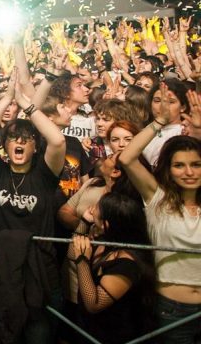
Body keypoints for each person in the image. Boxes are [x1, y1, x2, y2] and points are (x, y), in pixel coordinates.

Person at [0, 71, 67, 342]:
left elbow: (58, 141)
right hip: (3, 270)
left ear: (35, 148)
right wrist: (6, 99)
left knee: (38, 335)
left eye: (26, 139)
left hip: (41, 270)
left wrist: (27, 105)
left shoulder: (44, 175)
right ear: (5, 146)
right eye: (13, 138)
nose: (20, 142)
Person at [120, 83, 201, 344]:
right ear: (168, 169)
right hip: (172, 311)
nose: (188, 172)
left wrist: (199, 132)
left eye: (196, 165)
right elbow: (127, 158)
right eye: (179, 165)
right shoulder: (158, 200)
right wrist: (160, 122)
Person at [68, 192, 156, 343]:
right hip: (90, 329)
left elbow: (94, 304)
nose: (92, 209)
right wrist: (85, 222)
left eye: (97, 208)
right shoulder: (105, 240)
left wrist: (83, 261)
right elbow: (72, 254)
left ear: (106, 225)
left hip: (112, 335)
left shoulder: (126, 264)